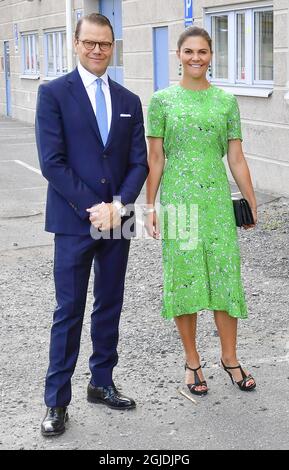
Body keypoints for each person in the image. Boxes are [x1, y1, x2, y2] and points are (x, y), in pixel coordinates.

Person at [35, 13, 148, 436]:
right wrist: (95, 207)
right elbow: (52, 163)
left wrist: (119, 206)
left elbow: (138, 162)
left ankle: (101, 382)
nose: (98, 50)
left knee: (109, 304)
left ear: (113, 46)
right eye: (90, 43)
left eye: (105, 44)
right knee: (68, 310)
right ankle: (56, 402)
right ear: (76, 44)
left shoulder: (128, 100)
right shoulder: (53, 94)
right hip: (73, 220)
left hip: (119, 219)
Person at [145, 26, 257, 396]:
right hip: (178, 203)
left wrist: (250, 200)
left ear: (211, 56)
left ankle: (230, 358)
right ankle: (192, 361)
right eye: (189, 51)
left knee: (225, 278)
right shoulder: (162, 101)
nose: (196, 58)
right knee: (186, 281)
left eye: (203, 52)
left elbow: (236, 158)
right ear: (178, 55)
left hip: (217, 205)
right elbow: (156, 157)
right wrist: (150, 206)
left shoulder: (226, 102)